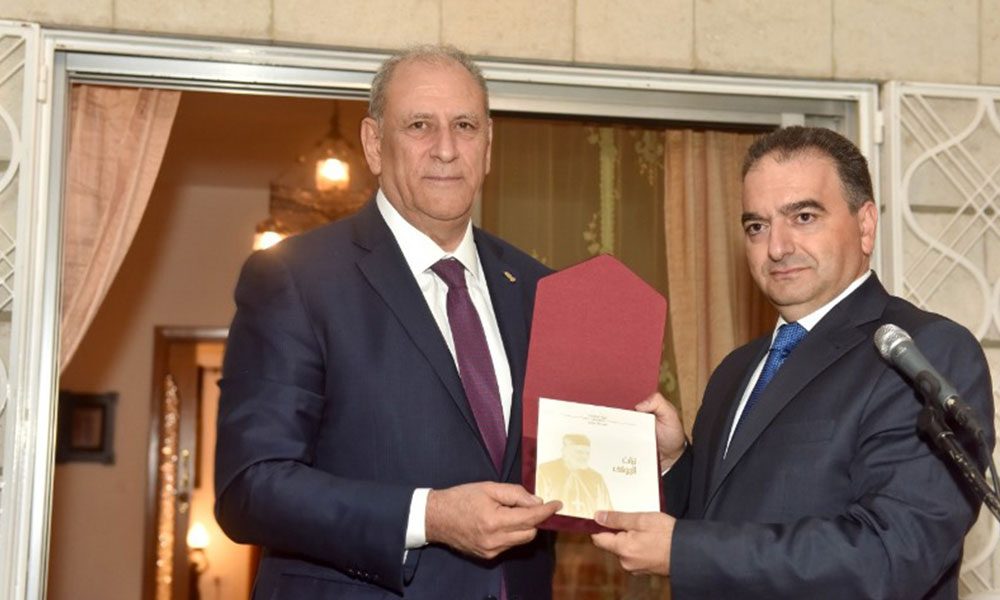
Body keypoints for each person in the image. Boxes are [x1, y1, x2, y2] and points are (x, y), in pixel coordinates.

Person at [214, 45, 561, 599]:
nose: (446, 149)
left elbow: (568, 463)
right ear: (374, 144)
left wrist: (653, 457)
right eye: (419, 125)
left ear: (488, 146)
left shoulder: (540, 288)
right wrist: (429, 516)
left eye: (465, 126)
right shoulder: (295, 278)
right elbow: (250, 488)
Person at [591, 126, 995, 599]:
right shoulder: (736, 371)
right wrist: (677, 463)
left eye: (803, 217)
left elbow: (892, 553)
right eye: (756, 226)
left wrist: (684, 550)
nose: (777, 247)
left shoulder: (921, 352)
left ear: (865, 225)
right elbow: (724, 519)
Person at [536, 434, 613, 518]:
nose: (584, 456)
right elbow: (538, 505)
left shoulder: (596, 478)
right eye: (579, 452)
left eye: (587, 453)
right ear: (565, 452)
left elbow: (607, 511)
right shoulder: (546, 471)